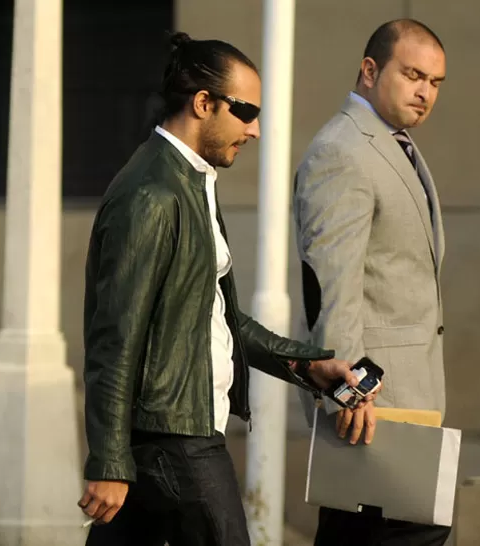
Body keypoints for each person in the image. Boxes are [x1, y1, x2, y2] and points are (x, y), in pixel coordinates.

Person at [77, 32, 371, 546]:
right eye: (246, 111)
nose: (254, 129)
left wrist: (308, 366)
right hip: (176, 440)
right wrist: (108, 459)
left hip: (175, 434)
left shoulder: (190, 182)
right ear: (202, 103)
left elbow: (215, 316)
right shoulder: (152, 194)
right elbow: (114, 338)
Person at [292, 18, 450, 546]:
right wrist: (348, 392)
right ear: (369, 70)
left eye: (435, 82)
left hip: (405, 399)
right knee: (407, 534)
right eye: (413, 75)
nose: (425, 92)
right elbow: (330, 285)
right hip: (371, 406)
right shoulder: (343, 150)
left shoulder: (393, 144)